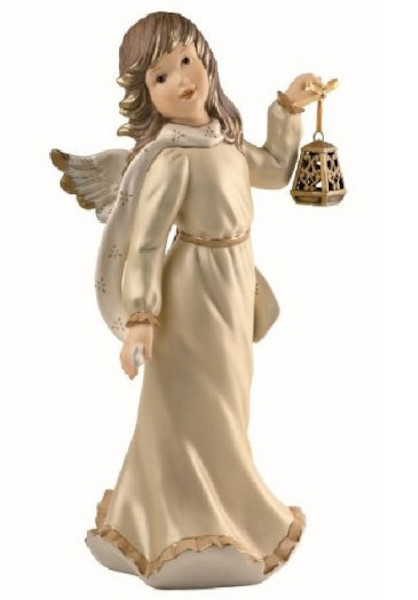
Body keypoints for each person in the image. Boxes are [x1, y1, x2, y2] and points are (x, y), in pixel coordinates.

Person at [51, 11, 323, 590]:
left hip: (233, 284)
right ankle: (186, 523)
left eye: (186, 61)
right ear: (146, 95)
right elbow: (148, 243)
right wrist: (142, 317)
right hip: (193, 294)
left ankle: (223, 509)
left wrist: (289, 109)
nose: (181, 80)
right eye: (160, 76)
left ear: (206, 62)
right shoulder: (172, 159)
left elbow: (276, 170)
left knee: (232, 401)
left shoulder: (223, 139)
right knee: (199, 409)